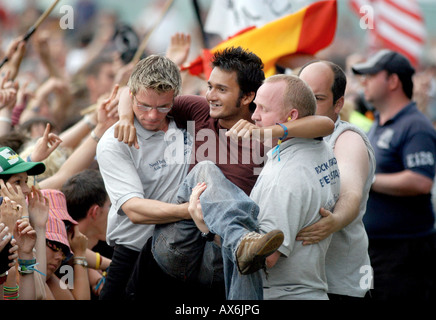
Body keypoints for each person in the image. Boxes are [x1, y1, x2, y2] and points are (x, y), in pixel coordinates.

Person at [115, 47, 335, 299]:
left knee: (238, 251)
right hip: (180, 241)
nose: (210, 95)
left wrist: (264, 133)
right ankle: (243, 242)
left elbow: (326, 124)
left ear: (246, 97)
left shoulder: (264, 126)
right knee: (206, 169)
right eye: (210, 86)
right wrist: (123, 117)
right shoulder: (198, 111)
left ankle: (241, 245)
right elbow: (132, 91)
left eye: (221, 89)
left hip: (219, 254)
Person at [193, 74, 341, 299]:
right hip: (310, 289)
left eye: (263, 108)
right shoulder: (321, 149)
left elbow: (265, 258)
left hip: (276, 294)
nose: (254, 116)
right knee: (206, 169)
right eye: (255, 107)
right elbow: (324, 124)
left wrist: (205, 228)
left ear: (291, 116)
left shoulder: (283, 180)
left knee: (202, 174)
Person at [96, 54, 193, 300]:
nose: (152, 115)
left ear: (175, 98)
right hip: (133, 256)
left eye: (163, 107)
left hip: (185, 252)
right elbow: (134, 210)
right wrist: (191, 211)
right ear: (132, 97)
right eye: (144, 106)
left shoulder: (187, 121)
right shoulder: (115, 141)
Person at [351, 49, 436, 300]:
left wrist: (368, 179)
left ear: (393, 81)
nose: (363, 81)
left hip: (404, 253)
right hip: (376, 250)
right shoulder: (379, 121)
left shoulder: (415, 126)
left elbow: (421, 181)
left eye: (371, 75)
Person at [295, 60, 375, 300]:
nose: (306, 105)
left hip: (340, 287)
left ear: (338, 104)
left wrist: (336, 219)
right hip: (300, 286)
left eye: (317, 98)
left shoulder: (346, 138)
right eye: (302, 95)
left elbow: (350, 192)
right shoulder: (287, 136)